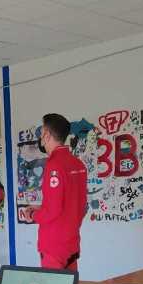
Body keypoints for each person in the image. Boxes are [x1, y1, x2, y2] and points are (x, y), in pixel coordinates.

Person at [33, 113, 88, 271]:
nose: (41, 136)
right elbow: (80, 205)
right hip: (71, 242)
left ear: (47, 134)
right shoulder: (78, 164)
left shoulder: (54, 165)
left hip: (54, 246)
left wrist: (33, 215)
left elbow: (53, 209)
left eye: (42, 131)